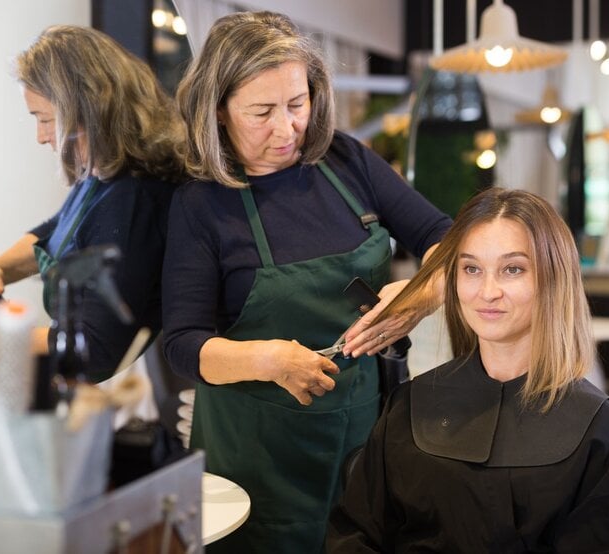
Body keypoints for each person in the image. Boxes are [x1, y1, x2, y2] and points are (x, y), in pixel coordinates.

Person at [162, 10, 451, 553]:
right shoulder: (201, 205)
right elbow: (182, 344)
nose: (286, 128)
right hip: (257, 461)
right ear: (218, 112)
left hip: (365, 440)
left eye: (297, 104)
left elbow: (446, 238)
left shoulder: (346, 161)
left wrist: (419, 295)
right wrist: (269, 361)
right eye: (261, 111)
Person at [327, 187, 609, 553]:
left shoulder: (597, 426)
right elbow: (354, 534)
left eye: (513, 269)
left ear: (552, 279)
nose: (487, 291)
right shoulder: (412, 403)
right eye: (471, 269)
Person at [0, 25, 186, 381]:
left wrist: (0, 338)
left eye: (45, 120)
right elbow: (59, 229)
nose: (41, 138)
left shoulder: (133, 199)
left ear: (86, 112)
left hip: (123, 394)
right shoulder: (103, 172)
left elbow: (98, 348)